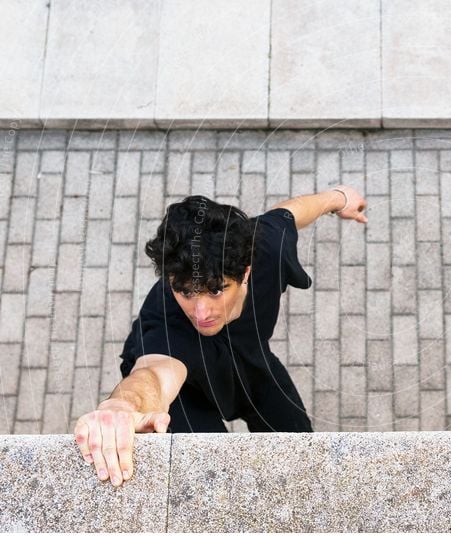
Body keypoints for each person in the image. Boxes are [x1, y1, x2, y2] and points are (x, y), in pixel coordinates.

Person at [74, 186, 367, 487]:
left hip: (251, 362)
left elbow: (291, 212)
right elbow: (153, 374)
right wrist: (121, 407)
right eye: (185, 292)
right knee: (214, 481)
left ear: (246, 272)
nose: (200, 313)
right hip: (186, 395)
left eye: (216, 290)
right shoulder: (164, 322)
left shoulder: (266, 247)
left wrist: (339, 198)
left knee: (302, 454)